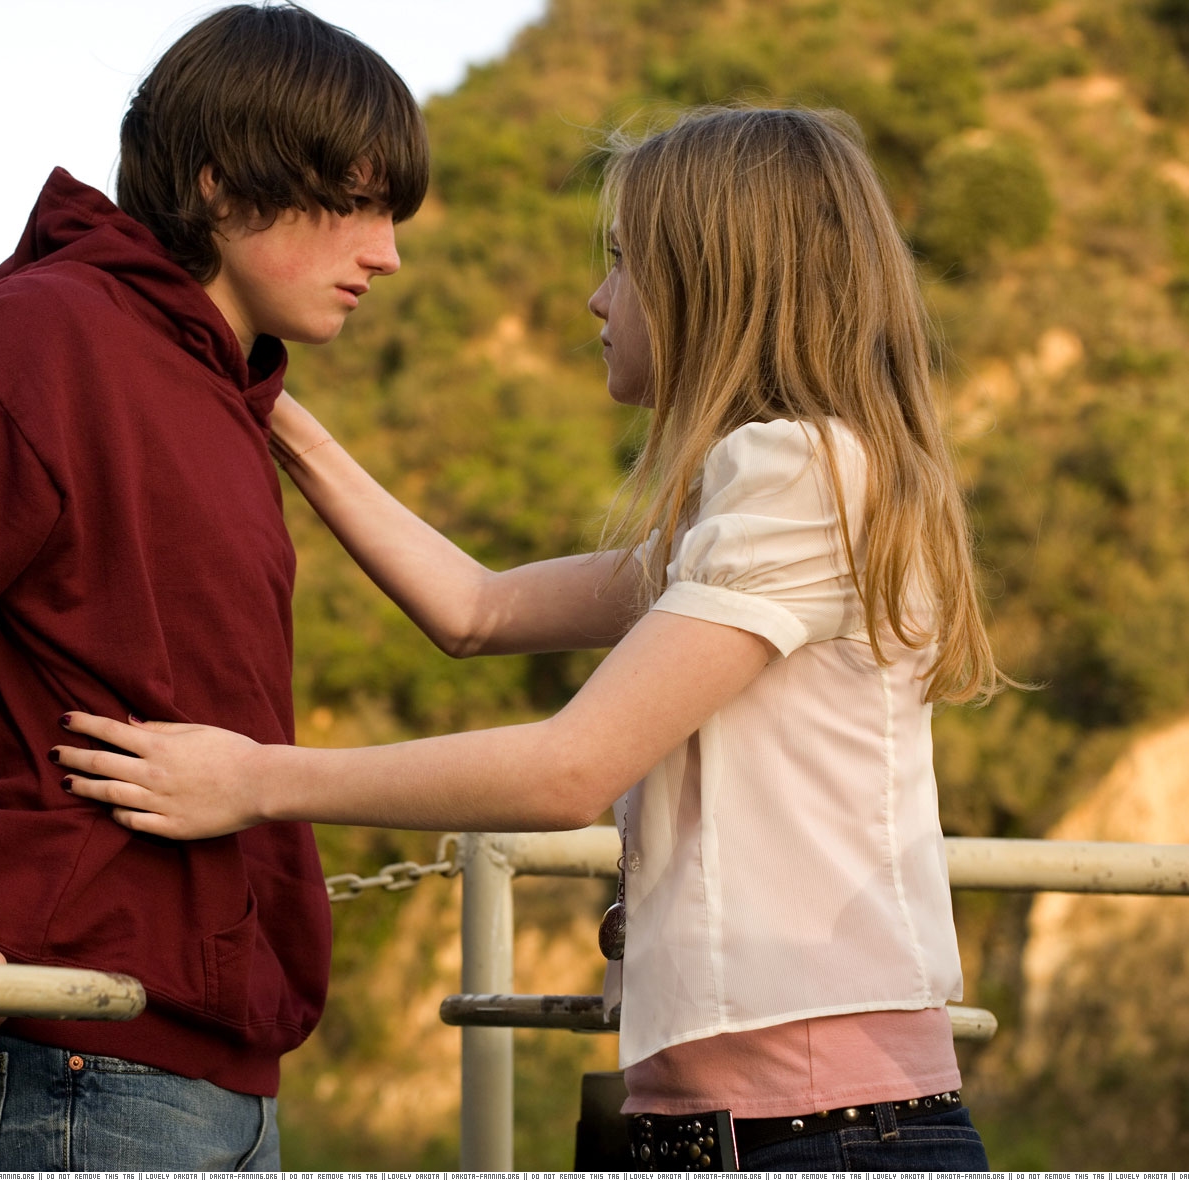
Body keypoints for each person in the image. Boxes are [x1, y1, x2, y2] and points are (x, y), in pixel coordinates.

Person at [53, 106, 1001, 1171]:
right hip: (746, 1128)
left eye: (623, 263)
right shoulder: (774, 497)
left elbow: (568, 769)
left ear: (709, 279)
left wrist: (252, 779)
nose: (598, 298)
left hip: (805, 1134)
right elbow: (475, 610)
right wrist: (258, 390)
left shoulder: (800, 477)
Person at [0, 4, 427, 1172]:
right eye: (354, 203)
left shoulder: (210, 392)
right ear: (217, 183)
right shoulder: (46, 342)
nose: (386, 251)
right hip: (74, 1063)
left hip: (202, 1068)